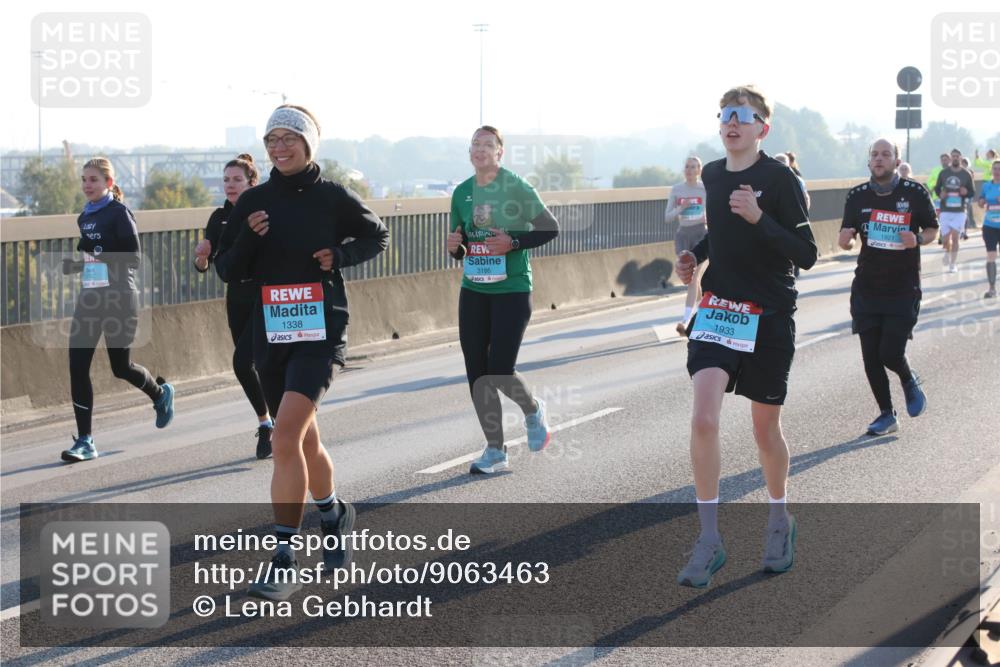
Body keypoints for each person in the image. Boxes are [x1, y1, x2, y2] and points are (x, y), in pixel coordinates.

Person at [215, 105, 389, 600]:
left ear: (309, 143)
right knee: (304, 441)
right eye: (271, 139)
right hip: (272, 332)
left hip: (320, 330)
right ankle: (334, 513)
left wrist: (341, 255)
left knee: (284, 435)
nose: (279, 147)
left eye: (289, 138)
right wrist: (248, 236)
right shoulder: (254, 200)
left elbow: (377, 235)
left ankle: (284, 557)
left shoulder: (332, 196)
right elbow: (227, 268)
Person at [674, 85, 817, 588]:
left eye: (743, 115)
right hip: (719, 310)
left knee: (764, 431)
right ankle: (709, 539)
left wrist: (760, 217)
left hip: (770, 314)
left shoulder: (780, 179)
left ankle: (779, 518)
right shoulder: (713, 175)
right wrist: (695, 257)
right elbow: (720, 234)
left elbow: (807, 253)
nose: (732, 123)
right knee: (703, 418)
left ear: (763, 128)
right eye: (725, 115)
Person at [447, 125, 559, 474]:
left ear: (500, 152)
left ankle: (532, 410)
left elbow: (550, 228)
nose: (480, 149)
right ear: (470, 152)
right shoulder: (462, 192)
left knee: (498, 370)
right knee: (477, 374)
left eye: (488, 144)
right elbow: (462, 244)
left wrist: (513, 242)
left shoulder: (516, 187)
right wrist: (455, 248)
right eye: (475, 144)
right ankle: (495, 450)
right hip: (474, 290)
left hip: (512, 289)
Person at [61, 158, 175, 462]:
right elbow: (93, 260)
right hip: (90, 298)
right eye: (84, 179)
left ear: (108, 183)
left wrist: (97, 254)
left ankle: (160, 394)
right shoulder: (84, 216)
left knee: (120, 367)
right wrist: (76, 265)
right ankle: (85, 440)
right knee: (77, 365)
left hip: (119, 298)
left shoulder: (119, 213)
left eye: (93, 180)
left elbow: (133, 258)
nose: (87, 185)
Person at [838, 139, 937, 436]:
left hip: (903, 287)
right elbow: (848, 235)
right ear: (869, 161)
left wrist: (917, 239)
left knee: (890, 353)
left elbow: (933, 229)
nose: (879, 159)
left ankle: (908, 378)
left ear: (897, 160)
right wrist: (846, 241)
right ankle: (886, 414)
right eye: (874, 154)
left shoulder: (915, 192)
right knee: (871, 356)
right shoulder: (857, 196)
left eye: (885, 154)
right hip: (867, 288)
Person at [194, 154, 274, 459]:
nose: (230, 185)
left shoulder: (264, 212)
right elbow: (205, 264)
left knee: (243, 363)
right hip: (236, 297)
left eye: (237, 179)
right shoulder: (219, 218)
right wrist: (201, 257)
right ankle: (269, 420)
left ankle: (269, 424)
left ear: (252, 183)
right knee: (252, 365)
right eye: (226, 180)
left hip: (264, 296)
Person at [664, 157, 708, 336]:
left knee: (693, 277)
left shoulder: (705, 189)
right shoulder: (677, 189)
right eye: (687, 167)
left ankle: (686, 321)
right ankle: (703, 312)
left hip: (700, 234)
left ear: (699, 170)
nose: (689, 170)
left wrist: (708, 218)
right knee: (692, 280)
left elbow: (714, 209)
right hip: (683, 235)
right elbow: (667, 217)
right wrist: (682, 207)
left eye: (693, 167)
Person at [934, 149, 975, 273]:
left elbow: (972, 192)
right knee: (945, 239)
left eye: (957, 156)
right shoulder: (944, 173)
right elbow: (937, 188)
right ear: (951, 158)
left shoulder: (966, 174)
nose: (955, 158)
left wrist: (966, 192)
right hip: (945, 210)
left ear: (960, 158)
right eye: (953, 156)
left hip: (959, 211)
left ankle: (953, 264)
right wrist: (940, 194)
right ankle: (947, 252)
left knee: (955, 238)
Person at [976, 159, 1000, 299]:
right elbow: (980, 202)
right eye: (995, 168)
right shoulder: (986, 186)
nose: (997, 171)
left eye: (999, 169)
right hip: (990, 225)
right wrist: (981, 202)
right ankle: (992, 289)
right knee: (991, 256)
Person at [960, 156, 977, 234]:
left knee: (967, 210)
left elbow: (971, 184)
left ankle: (969, 225)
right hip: (960, 195)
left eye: (965, 163)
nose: (963, 164)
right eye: (962, 163)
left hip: (968, 194)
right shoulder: (958, 172)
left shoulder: (969, 172)